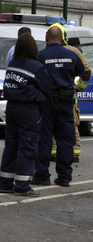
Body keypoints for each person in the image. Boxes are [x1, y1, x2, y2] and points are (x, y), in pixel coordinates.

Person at [32, 24, 85, 187]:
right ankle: (64, 177)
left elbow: (35, 76)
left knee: (45, 138)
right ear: (61, 39)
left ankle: (42, 175)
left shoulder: (40, 56)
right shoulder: (71, 55)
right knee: (65, 140)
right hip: (66, 102)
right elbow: (81, 71)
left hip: (47, 102)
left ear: (47, 39)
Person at [0, 35, 52, 197]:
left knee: (11, 146)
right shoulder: (36, 67)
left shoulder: (12, 64)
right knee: (28, 147)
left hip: (12, 108)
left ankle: (5, 182)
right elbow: (47, 87)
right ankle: (22, 185)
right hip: (28, 111)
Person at [50, 27, 91, 163]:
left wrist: (79, 87)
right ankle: (73, 151)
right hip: (69, 95)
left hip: (51, 96)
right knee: (71, 123)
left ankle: (56, 151)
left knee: (54, 124)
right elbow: (86, 71)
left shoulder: (46, 53)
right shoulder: (74, 51)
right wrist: (78, 87)